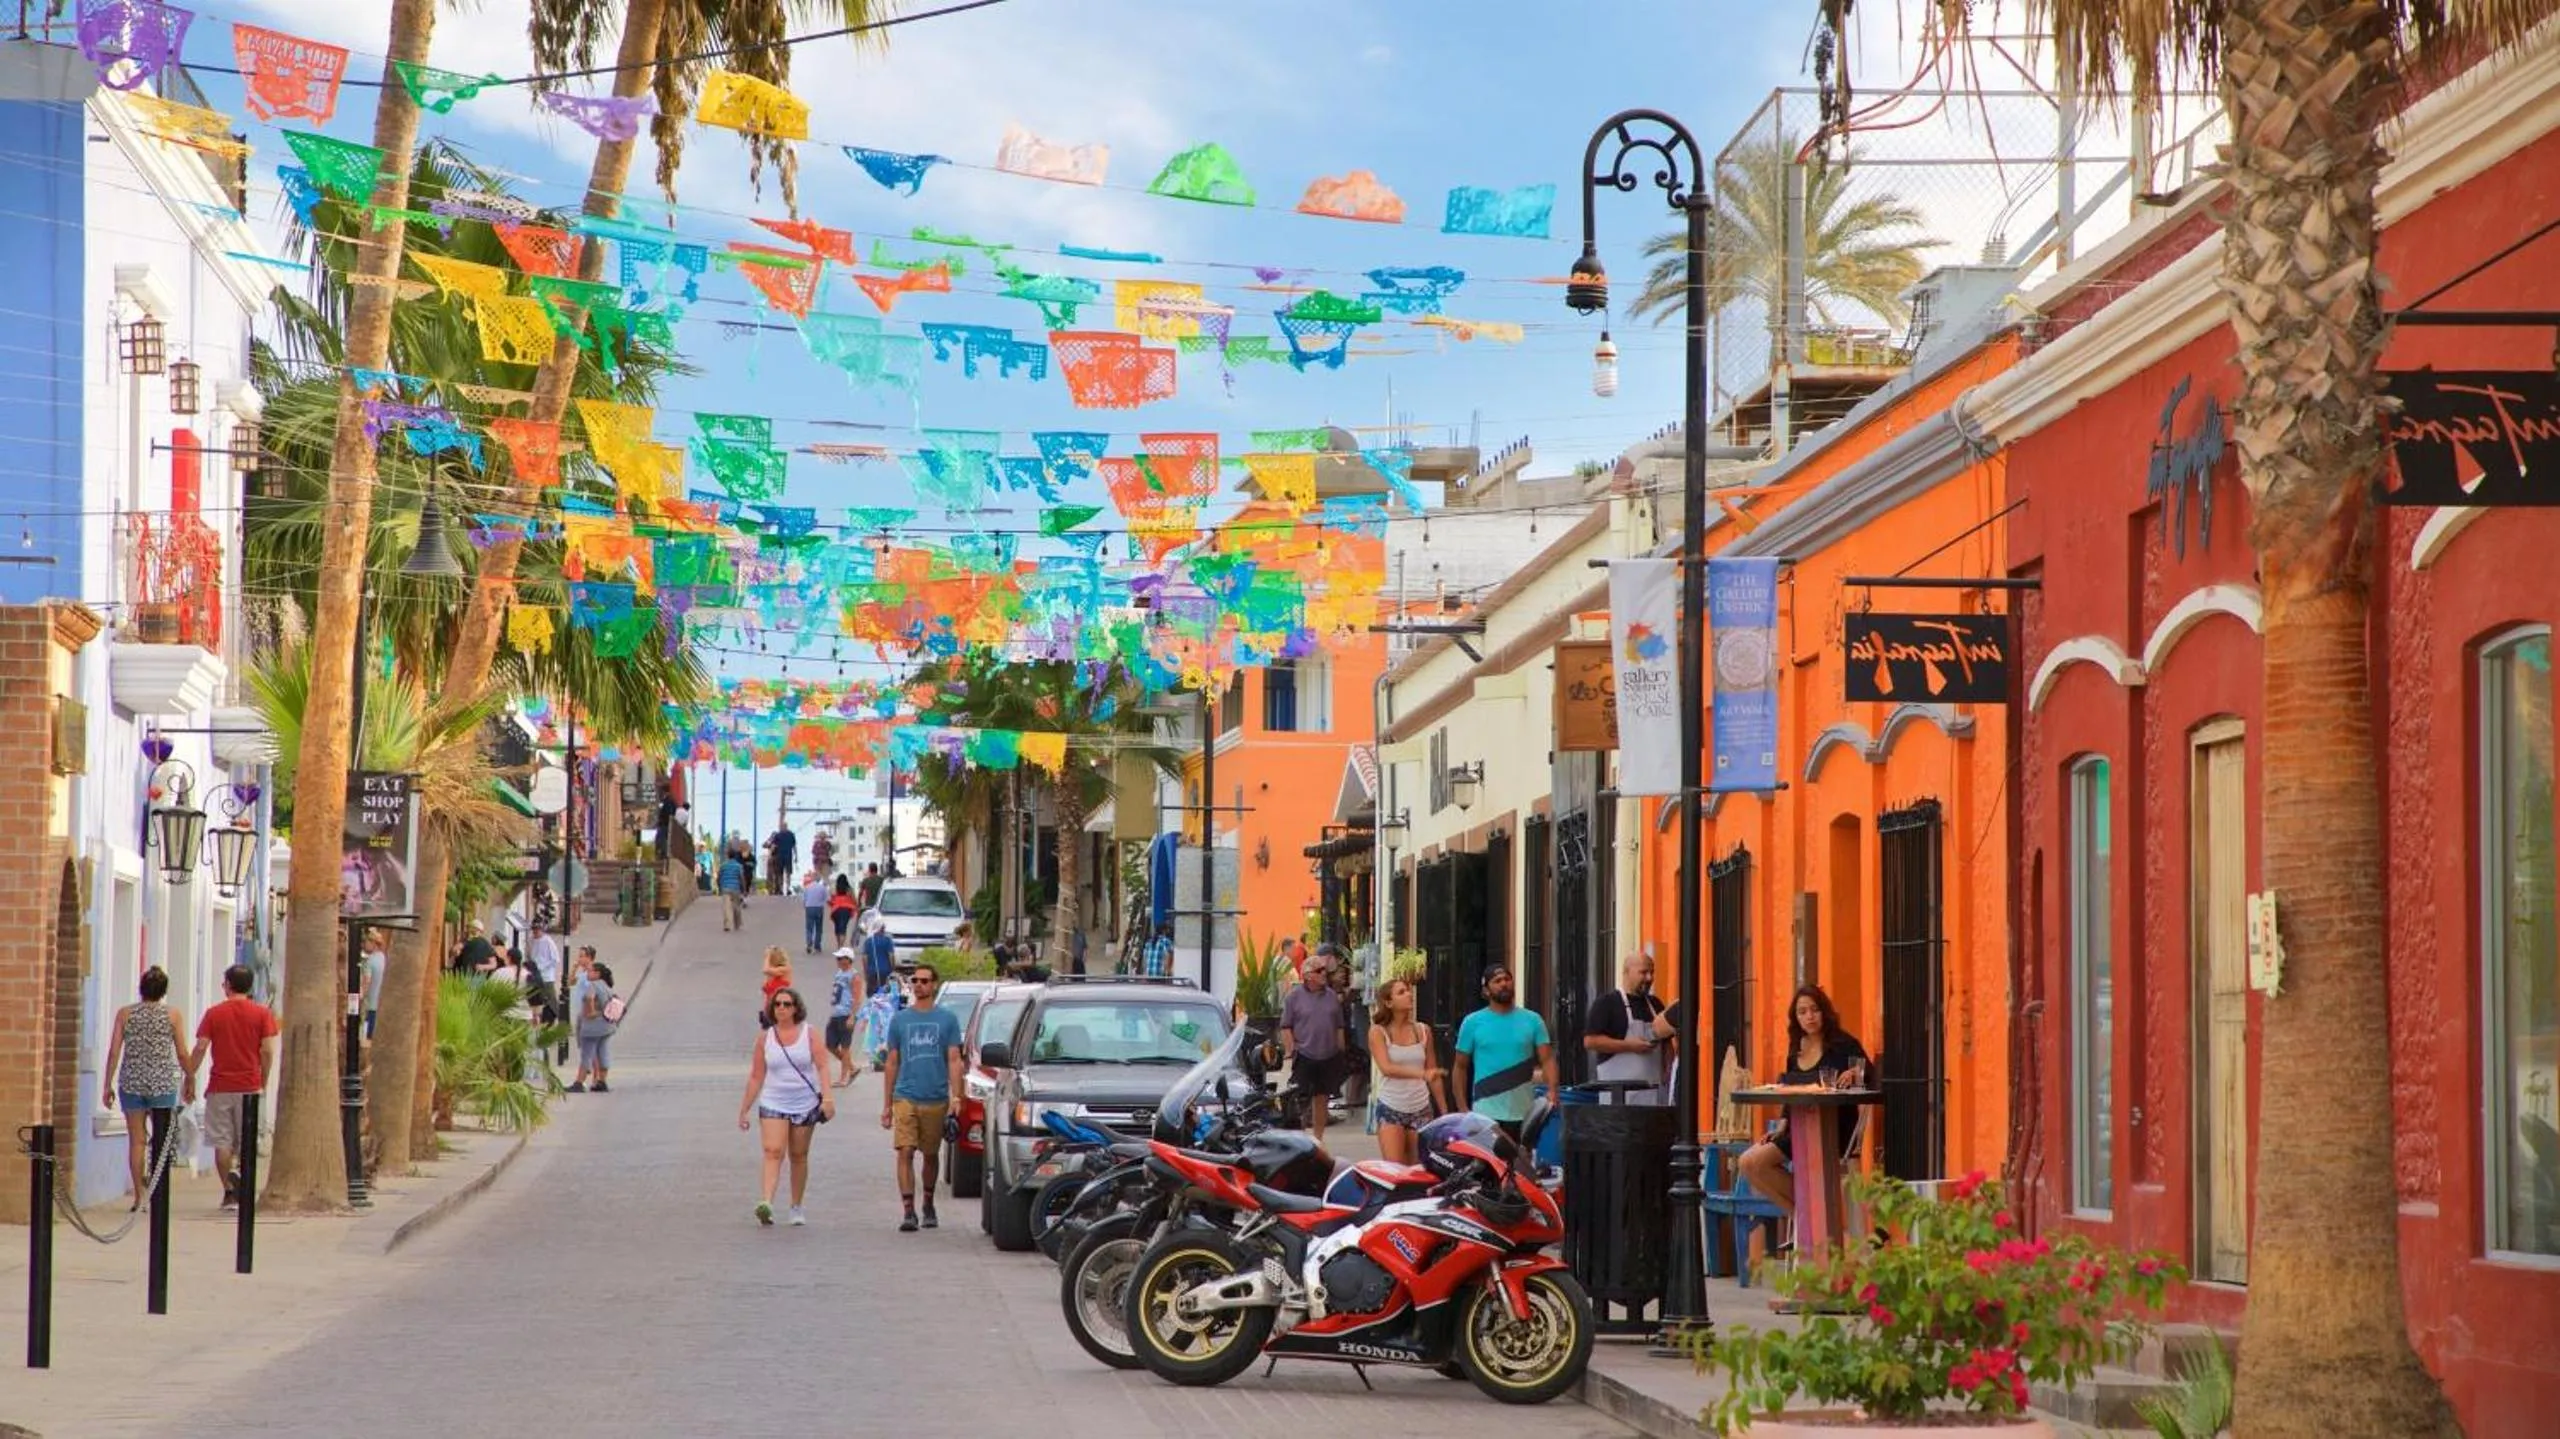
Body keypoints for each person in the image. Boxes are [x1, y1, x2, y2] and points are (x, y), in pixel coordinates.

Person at [1735, 984, 1872, 1220]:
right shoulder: (1795, 1049)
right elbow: (1791, 1092)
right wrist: (1782, 1124)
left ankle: (1811, 1218)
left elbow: (1870, 1073)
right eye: (1802, 1012)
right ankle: (1808, 1217)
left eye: (1814, 1010)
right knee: (1748, 1163)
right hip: (1800, 1127)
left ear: (1824, 1012)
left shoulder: (1842, 1043)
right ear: (1795, 1017)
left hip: (1834, 1129)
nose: (1809, 1017)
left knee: (1755, 1161)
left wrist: (1855, 1074)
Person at [736, 986, 835, 1226]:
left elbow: (822, 1065)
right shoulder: (765, 1038)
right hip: (773, 1100)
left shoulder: (809, 1034)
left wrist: (828, 1098)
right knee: (773, 1150)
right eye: (777, 1004)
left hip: (804, 1102)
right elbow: (756, 1076)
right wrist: (744, 1108)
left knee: (798, 1155)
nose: (781, 1008)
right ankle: (766, 1203)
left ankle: (796, 1206)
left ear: (796, 1008)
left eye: (787, 1004)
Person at [879, 961, 965, 1232]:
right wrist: (887, 1104)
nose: (919, 985)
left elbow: (954, 1059)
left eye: (925, 981)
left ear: (934, 984)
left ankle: (928, 1203)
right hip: (905, 1095)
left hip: (936, 1097)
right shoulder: (900, 1019)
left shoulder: (947, 1019)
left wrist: (957, 1097)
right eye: (915, 980)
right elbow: (892, 1061)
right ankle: (908, 1210)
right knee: (905, 1150)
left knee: (930, 1154)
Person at [101, 966, 194, 1210]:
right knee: (161, 1141)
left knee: (137, 1141)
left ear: (141, 988)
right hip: (162, 1083)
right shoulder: (173, 1015)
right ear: (164, 991)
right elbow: (182, 1052)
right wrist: (191, 1076)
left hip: (132, 1082)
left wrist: (107, 1084)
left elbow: (113, 1052)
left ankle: (139, 1196)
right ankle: (159, 1194)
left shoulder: (125, 1014)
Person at [188, 964, 278, 1210]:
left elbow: (200, 1048)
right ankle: (244, 1184)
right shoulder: (262, 1014)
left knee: (222, 1142)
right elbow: (268, 1050)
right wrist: (264, 1079)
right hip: (250, 1085)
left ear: (227, 985)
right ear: (250, 986)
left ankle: (229, 1191)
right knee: (247, 1140)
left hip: (220, 1086)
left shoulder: (213, 1014)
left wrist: (189, 1075)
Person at [1451, 965, 1557, 1144]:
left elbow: (1547, 1059)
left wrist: (1553, 1091)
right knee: (1489, 1168)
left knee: (1520, 1166)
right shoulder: (1472, 1023)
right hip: (1485, 1114)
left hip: (1524, 1112)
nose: (1504, 984)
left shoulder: (1533, 1020)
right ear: (1486, 990)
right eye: (1497, 981)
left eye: (1507, 979)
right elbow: (1460, 1067)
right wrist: (1462, 1108)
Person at [1366, 976, 1445, 1165]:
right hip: (1392, 1107)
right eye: (1401, 992)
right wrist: (1421, 1074)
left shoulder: (1423, 1030)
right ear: (1388, 1002)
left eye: (1408, 990)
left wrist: (1444, 1111)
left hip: (1421, 1108)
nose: (1409, 994)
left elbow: (1433, 1073)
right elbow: (1386, 1068)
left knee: (1420, 1170)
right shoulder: (1378, 1032)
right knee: (1395, 1171)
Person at [1585, 951, 1675, 1101]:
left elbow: (1667, 1043)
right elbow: (1590, 1041)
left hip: (1654, 1097)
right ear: (1626, 972)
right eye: (1643, 972)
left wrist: (1668, 1070)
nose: (1649, 978)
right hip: (1618, 1099)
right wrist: (1630, 1046)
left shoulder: (1656, 1004)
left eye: (1652, 972)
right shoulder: (1607, 1003)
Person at [1279, 951, 1347, 1143]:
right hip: (1305, 1054)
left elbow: (1339, 1025)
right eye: (1319, 970)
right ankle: (1300, 1139)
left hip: (1329, 1054)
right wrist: (1291, 1050)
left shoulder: (1332, 996)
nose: (1324, 974)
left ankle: (1318, 1139)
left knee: (1322, 1097)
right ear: (1308, 975)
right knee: (1301, 1099)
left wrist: (1342, 1051)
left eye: (1325, 970)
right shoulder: (1294, 997)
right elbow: (1286, 1027)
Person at [570, 946, 616, 1093]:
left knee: (587, 1053)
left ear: (597, 974)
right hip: (606, 1026)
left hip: (592, 1027)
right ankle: (602, 1081)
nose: (588, 973)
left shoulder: (593, 985)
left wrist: (590, 1012)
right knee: (603, 1052)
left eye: (591, 971)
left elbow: (589, 998)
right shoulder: (607, 986)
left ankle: (579, 1082)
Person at [1328, 949, 1369, 1112]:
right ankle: (1351, 1098)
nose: (1343, 976)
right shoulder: (1331, 995)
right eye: (1339, 974)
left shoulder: (1340, 993)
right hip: (1337, 1039)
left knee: (1360, 1062)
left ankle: (1353, 1098)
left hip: (1346, 1038)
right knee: (1357, 1062)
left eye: (1344, 973)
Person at [826, 946, 861, 1086]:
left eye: (841, 958)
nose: (838, 960)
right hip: (836, 1012)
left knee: (845, 1047)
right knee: (830, 1044)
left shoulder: (854, 976)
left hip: (846, 1013)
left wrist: (852, 1016)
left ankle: (843, 1077)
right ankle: (852, 1068)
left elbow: (857, 997)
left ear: (848, 960)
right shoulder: (839, 973)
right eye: (837, 958)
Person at [359, 928, 388, 1040]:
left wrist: (361, 997)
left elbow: (367, 981)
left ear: (373, 943)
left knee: (367, 1038)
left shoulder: (369, 961)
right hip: (380, 1005)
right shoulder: (384, 958)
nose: (364, 944)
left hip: (370, 1006)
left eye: (366, 941)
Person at [758, 947, 792, 1030]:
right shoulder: (772, 973)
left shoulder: (785, 970)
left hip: (780, 1009)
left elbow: (765, 970)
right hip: (769, 1009)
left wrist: (768, 956)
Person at [717, 848, 748, 931]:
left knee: (726, 907)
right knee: (736, 907)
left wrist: (719, 887)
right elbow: (741, 878)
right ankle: (737, 924)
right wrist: (744, 890)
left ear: (727, 856)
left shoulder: (723, 865)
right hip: (735, 888)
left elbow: (719, 877)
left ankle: (727, 925)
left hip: (725, 888)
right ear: (735, 856)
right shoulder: (738, 866)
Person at [800, 870, 829, 955]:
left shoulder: (807, 887)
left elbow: (804, 899)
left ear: (812, 878)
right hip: (819, 908)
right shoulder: (822, 888)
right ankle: (817, 946)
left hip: (809, 908)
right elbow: (827, 899)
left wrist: (805, 906)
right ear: (819, 878)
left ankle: (809, 943)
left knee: (809, 928)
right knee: (819, 928)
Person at [764, 824, 797, 896]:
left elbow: (794, 846)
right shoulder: (778, 835)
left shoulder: (790, 834)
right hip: (781, 857)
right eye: (782, 826)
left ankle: (787, 889)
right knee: (780, 873)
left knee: (787, 873)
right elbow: (774, 845)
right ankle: (782, 889)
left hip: (787, 856)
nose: (782, 827)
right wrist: (770, 855)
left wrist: (796, 856)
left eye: (783, 826)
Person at [828, 874, 859, 947]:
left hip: (836, 910)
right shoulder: (849, 889)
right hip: (846, 910)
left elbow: (830, 900)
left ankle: (839, 944)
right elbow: (854, 899)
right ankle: (841, 946)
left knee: (837, 927)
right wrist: (857, 906)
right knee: (843, 928)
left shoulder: (834, 888)